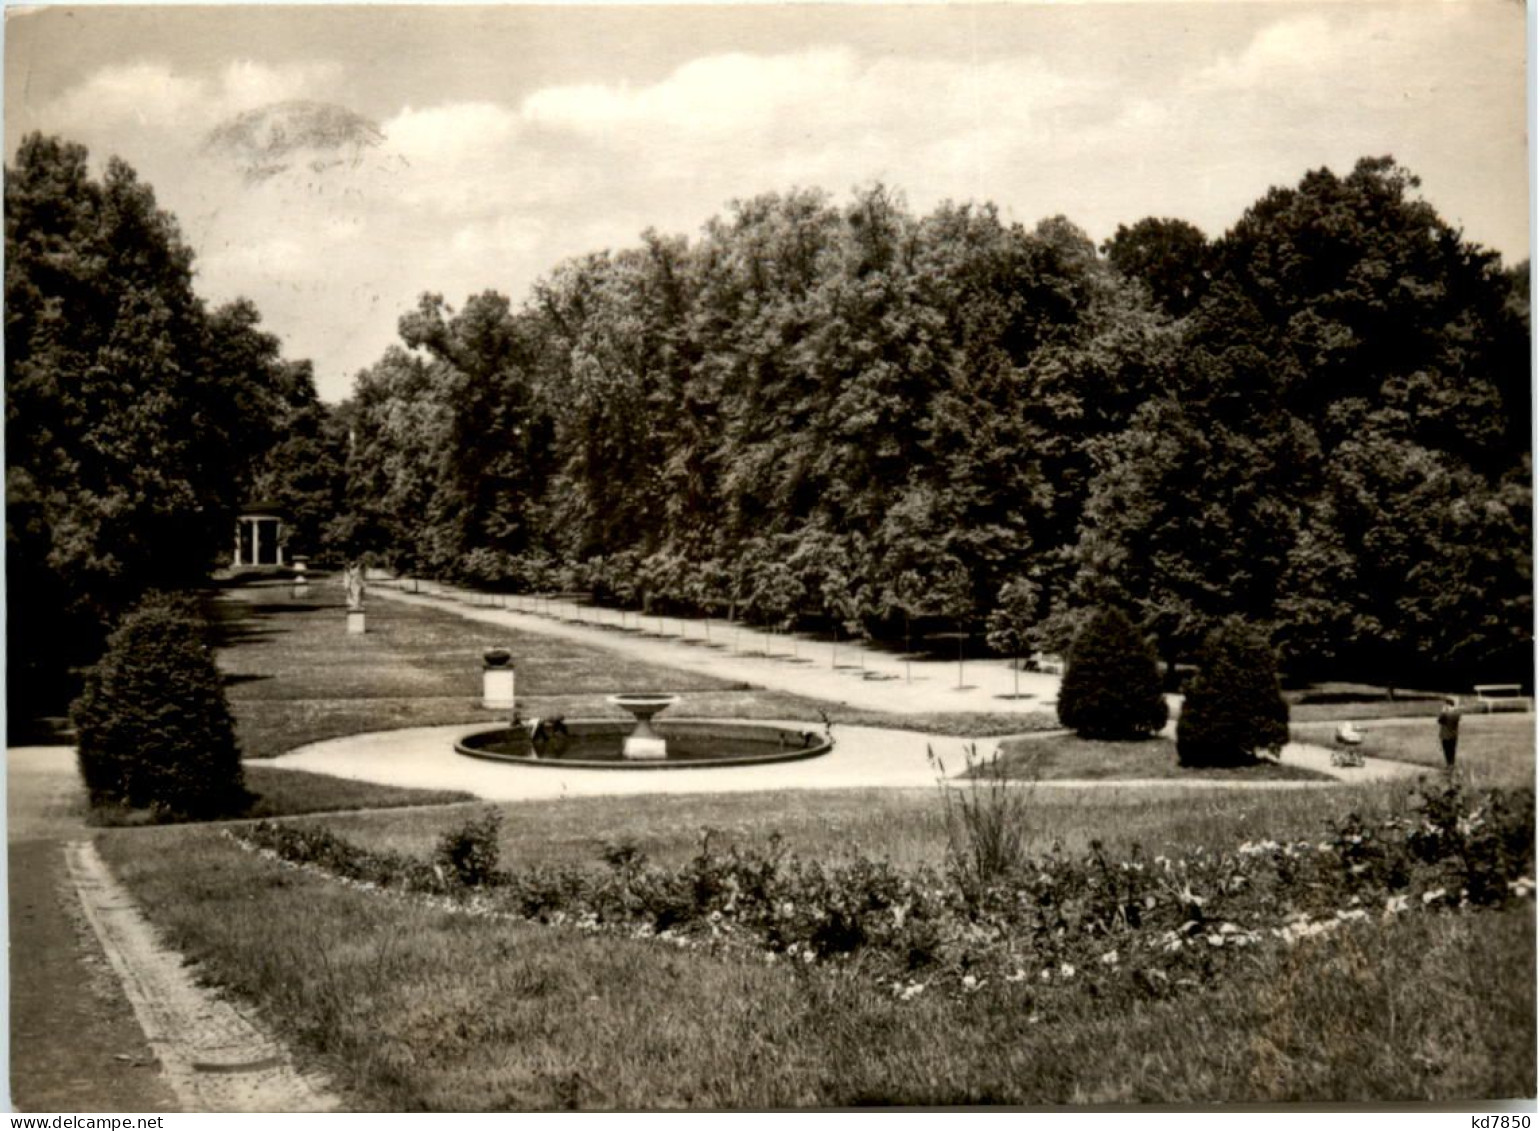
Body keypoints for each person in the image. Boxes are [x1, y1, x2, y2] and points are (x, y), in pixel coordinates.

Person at [1437, 696, 1462, 768]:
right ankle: (1452, 764)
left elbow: (1439, 720)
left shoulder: (1445, 714)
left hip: (1445, 735)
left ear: (1447, 705)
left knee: (1447, 751)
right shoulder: (1456, 713)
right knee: (1452, 750)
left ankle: (1449, 764)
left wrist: (1443, 711)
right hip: (1454, 735)